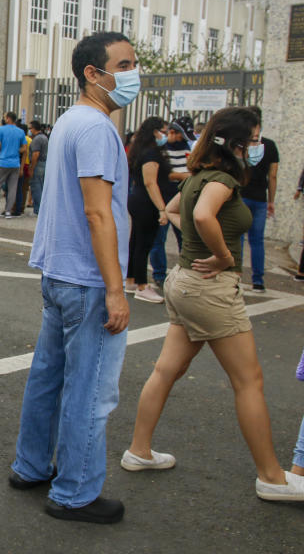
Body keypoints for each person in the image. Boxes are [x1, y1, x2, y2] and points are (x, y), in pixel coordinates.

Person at [121, 106, 304, 502]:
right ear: (237, 143)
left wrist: (206, 242)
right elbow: (203, 215)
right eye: (254, 140)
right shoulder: (220, 179)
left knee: (167, 370)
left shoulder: (197, 175)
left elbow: (172, 212)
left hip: (184, 283)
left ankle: (139, 450)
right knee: (249, 381)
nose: (257, 147)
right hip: (210, 287)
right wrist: (221, 253)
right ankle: (272, 478)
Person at [10, 32, 135, 525]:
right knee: (90, 390)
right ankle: (75, 492)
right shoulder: (97, 129)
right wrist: (116, 289)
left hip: (60, 274)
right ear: (92, 73)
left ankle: (31, 465)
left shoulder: (69, 121)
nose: (130, 73)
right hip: (86, 280)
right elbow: (98, 214)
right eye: (122, 64)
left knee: (48, 376)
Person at [124, 117, 174, 304]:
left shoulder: (141, 150)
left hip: (138, 199)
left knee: (136, 241)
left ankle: (131, 279)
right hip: (146, 202)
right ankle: (142, 286)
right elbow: (150, 182)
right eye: (164, 130)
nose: (166, 134)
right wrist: (162, 208)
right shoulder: (151, 153)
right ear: (155, 131)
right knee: (143, 244)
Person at [149, 115, 191, 287]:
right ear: (172, 132)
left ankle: (185, 270)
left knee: (185, 237)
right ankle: (159, 274)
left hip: (182, 198)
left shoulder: (188, 148)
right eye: (179, 135)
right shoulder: (162, 150)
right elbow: (163, 175)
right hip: (164, 197)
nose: (181, 139)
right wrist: (184, 176)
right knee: (159, 238)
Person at [240, 105, 279, 292]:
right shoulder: (270, 146)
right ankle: (258, 280)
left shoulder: (241, 143)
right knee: (257, 241)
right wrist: (271, 200)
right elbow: (272, 176)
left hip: (241, 196)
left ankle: (235, 276)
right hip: (260, 199)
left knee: (237, 238)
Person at [0, 111, 27, 218]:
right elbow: (24, 148)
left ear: (8, 119)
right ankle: (8, 212)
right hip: (15, 163)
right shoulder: (20, 131)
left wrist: (2, 148)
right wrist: (16, 150)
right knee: (12, 188)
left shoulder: (2, 129)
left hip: (4, 162)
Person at [27, 120, 48, 215]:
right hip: (44, 164)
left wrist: (31, 168)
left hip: (38, 164)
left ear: (34, 128)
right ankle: (42, 209)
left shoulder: (37, 139)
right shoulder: (44, 137)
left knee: (36, 187)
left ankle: (38, 210)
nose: (29, 130)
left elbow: (35, 154)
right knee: (41, 186)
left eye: (30, 128)